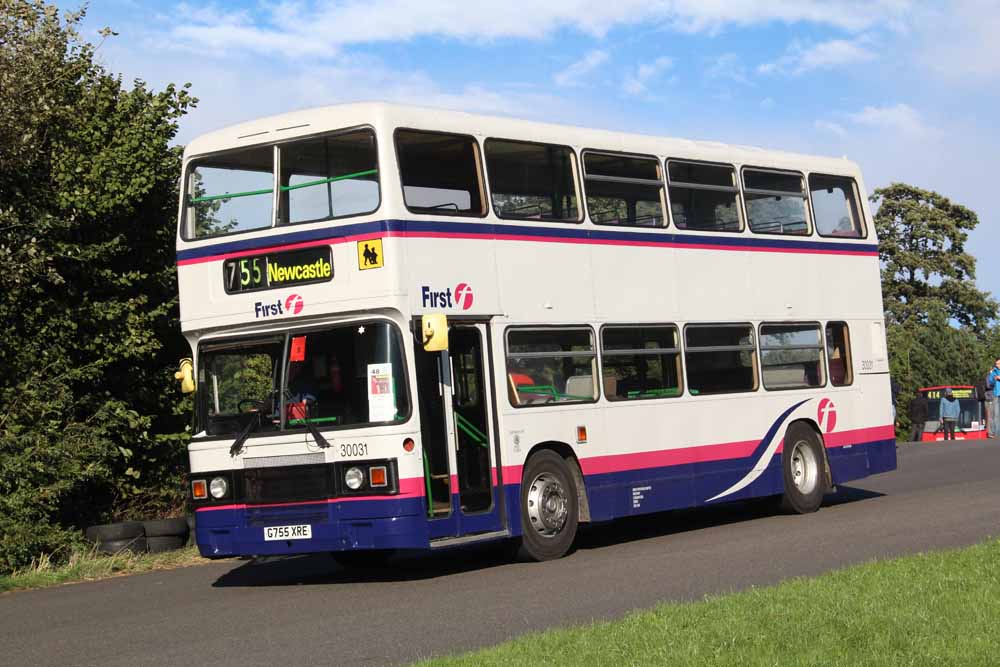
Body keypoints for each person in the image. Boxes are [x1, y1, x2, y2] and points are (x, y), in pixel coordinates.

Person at [987, 358, 1000, 438]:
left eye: (999, 363)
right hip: (996, 395)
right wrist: (994, 379)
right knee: (996, 414)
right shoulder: (993, 372)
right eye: (996, 364)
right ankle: (995, 433)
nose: (997, 365)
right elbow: (990, 382)